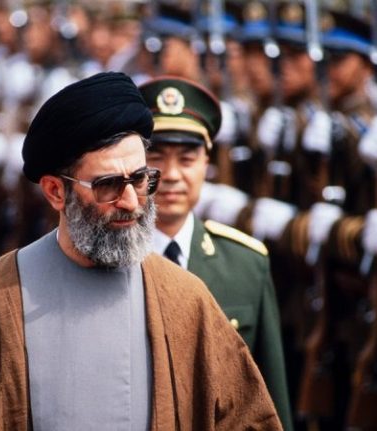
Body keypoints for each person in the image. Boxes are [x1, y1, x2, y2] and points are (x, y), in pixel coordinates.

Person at [0, 72, 282, 430]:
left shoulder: (186, 301)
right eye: (108, 185)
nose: (130, 201)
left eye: (140, 179)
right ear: (55, 191)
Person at [139, 76, 293, 431]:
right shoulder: (109, 260)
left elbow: (269, 396)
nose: (172, 175)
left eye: (187, 159)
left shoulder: (245, 264)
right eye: (156, 158)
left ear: (206, 163)